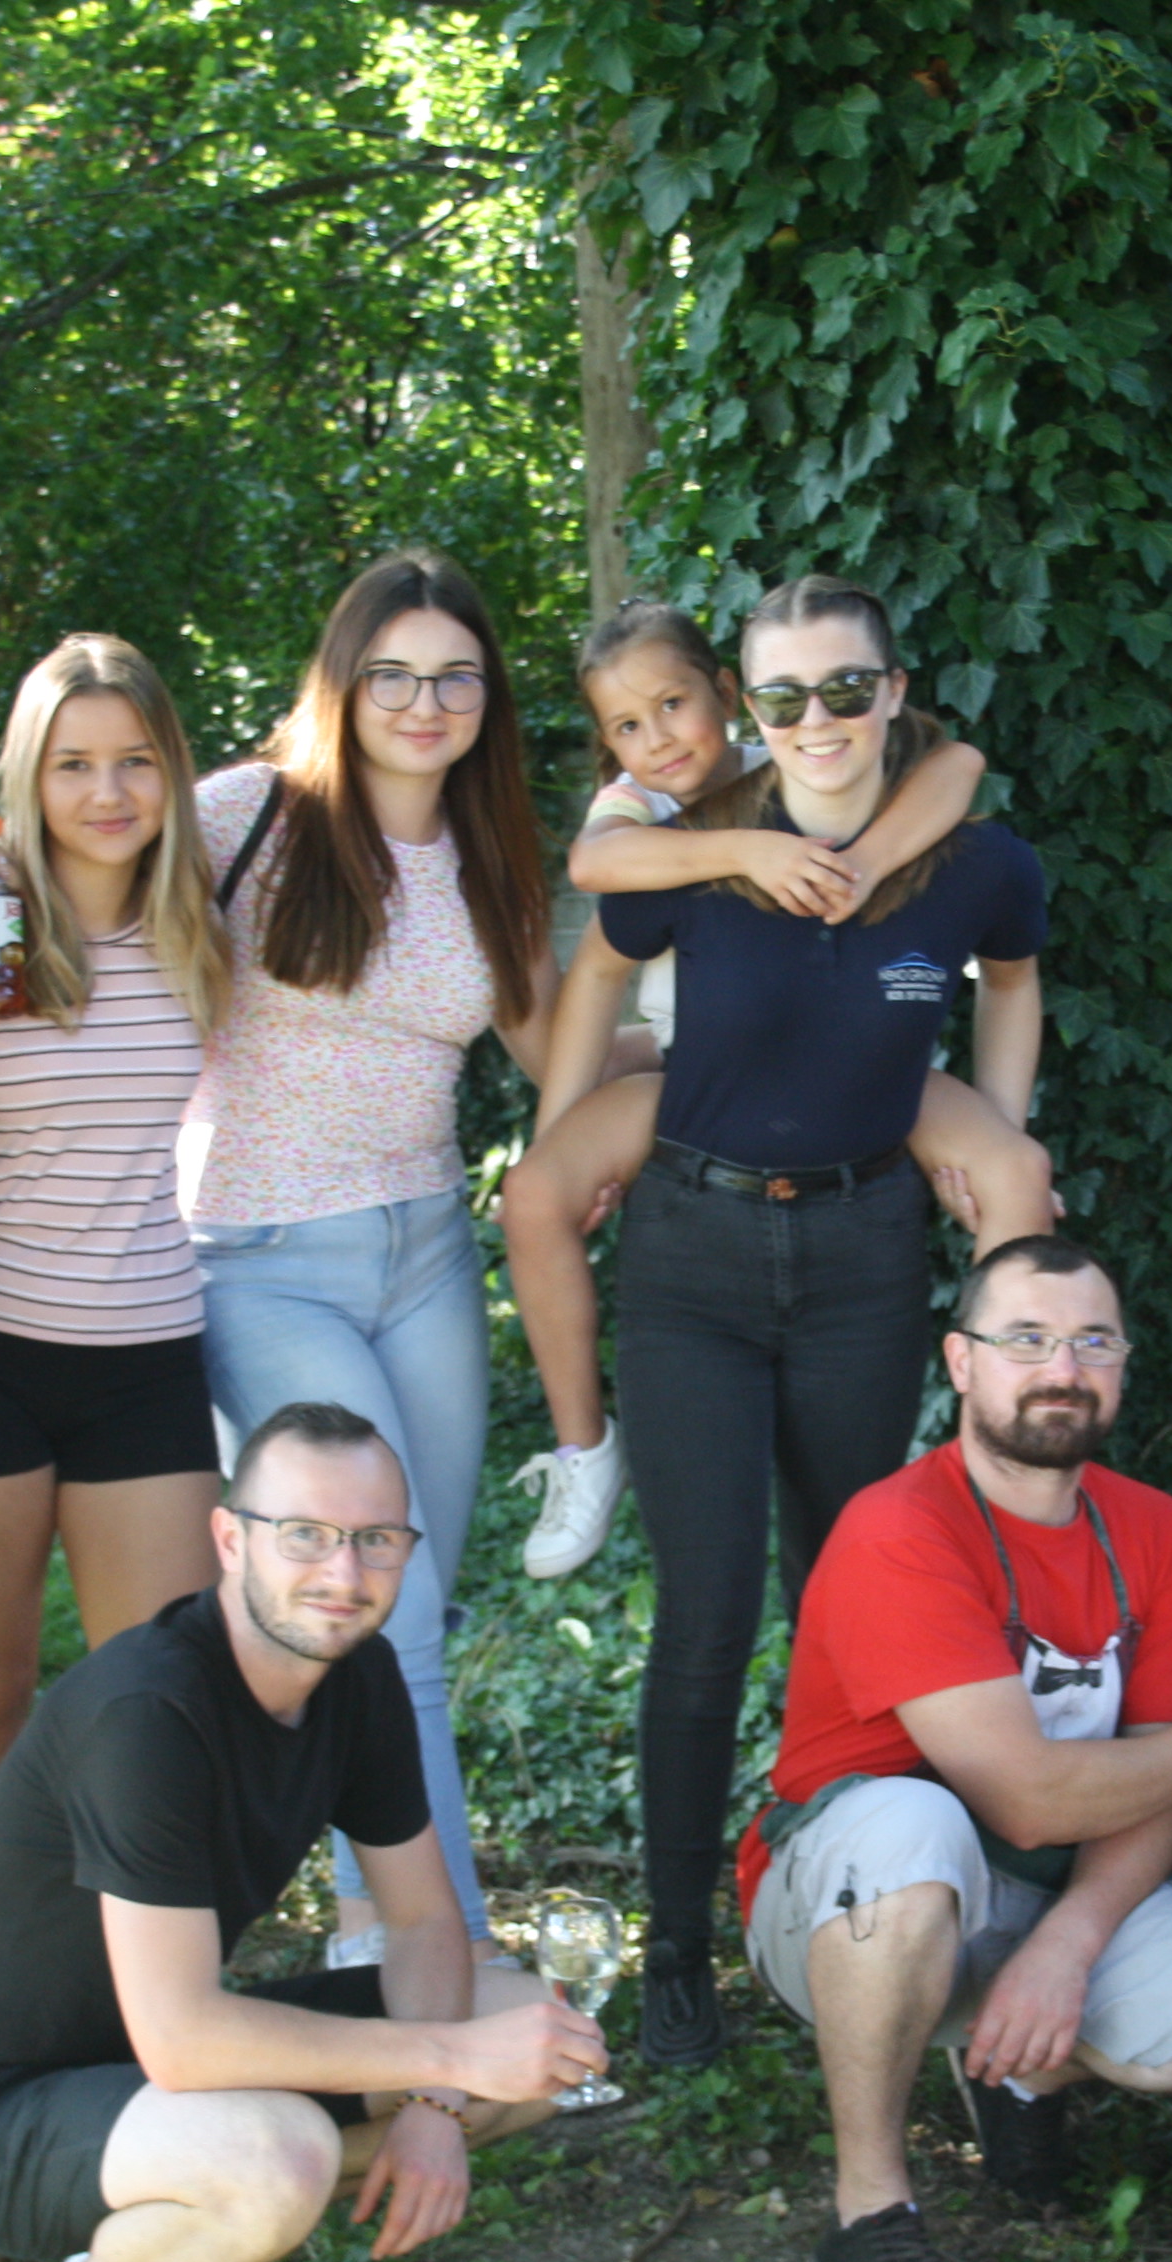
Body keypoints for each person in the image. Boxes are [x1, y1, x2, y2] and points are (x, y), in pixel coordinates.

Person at [0, 1401, 604, 2262]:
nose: (342, 1571)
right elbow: (182, 2036)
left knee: (529, 2024)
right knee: (281, 2157)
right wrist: (453, 2056)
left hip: (148, 2076)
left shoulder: (351, 1676)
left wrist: (435, 2101)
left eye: (376, 1540)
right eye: (305, 1533)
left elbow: (420, 1921)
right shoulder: (149, 1709)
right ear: (231, 1539)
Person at [534, 573, 1050, 2066]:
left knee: (855, 1597)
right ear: (748, 710)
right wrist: (571, 1137)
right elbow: (599, 958)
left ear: (894, 692)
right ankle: (680, 1962)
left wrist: (998, 1130)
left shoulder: (972, 863)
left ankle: (852, 1911)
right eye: (782, 697)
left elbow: (1010, 979)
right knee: (704, 1622)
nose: (815, 722)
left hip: (865, 1254)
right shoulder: (695, 853)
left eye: (845, 689)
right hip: (692, 1254)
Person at [737, 1235, 1172, 2262]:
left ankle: (1022, 2065)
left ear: (1123, 1364)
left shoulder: (1146, 1528)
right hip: (846, 1899)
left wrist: (1071, 1941)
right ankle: (873, 2218)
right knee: (921, 1826)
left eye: (1092, 1341)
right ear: (961, 1362)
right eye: (1027, 1340)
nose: (1063, 1367)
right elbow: (1033, 1793)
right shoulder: (901, 1529)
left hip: (1035, 1884)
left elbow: (1161, 1773)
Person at [179, 549, 599, 1959]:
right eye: (395, 676)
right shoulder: (242, 817)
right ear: (343, 686)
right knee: (392, 1603)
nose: (426, 703)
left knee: (401, 1586)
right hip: (261, 1258)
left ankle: (374, 1923)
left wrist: (732, 1055)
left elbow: (561, 1051)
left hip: (425, 1261)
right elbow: (71, 908)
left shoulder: (490, 857)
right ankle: (435, 1959)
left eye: (457, 677)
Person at [496, 597, 1054, 1578]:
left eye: (674, 705)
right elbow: (594, 865)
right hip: (695, 1069)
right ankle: (585, 1447)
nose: (656, 738)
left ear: (724, 697)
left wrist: (863, 863)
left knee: (1019, 1172)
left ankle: (997, 1460)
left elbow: (957, 767)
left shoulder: (796, 755)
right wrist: (749, 851)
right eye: (627, 724)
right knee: (535, 1190)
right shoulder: (639, 804)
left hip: (860, 1066)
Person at [0, 634, 234, 1888]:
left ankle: (138, 2005)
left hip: (147, 1352)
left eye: (137, 762)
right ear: (28, 778)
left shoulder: (203, 926)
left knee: (150, 1705)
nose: (108, 794)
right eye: (74, 765)